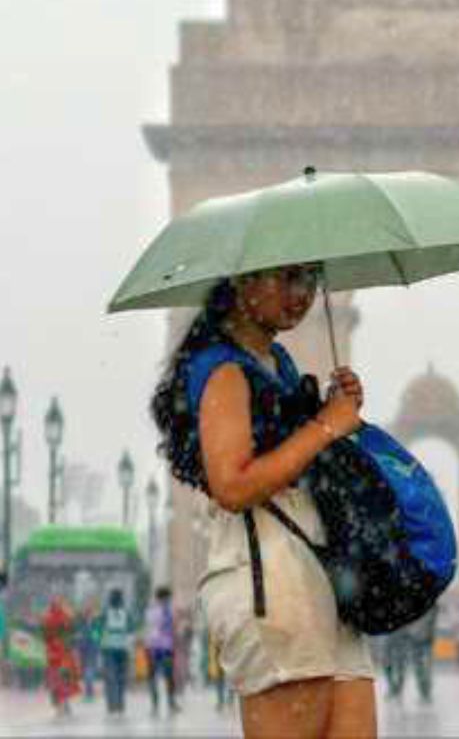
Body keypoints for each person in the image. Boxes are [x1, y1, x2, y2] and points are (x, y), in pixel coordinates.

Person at [150, 267, 376, 739]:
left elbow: (298, 458)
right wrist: (326, 427)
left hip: (318, 571)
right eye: (289, 278)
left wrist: (333, 409)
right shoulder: (223, 370)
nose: (304, 296)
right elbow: (232, 486)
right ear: (243, 281)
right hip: (268, 576)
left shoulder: (277, 363)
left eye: (312, 281)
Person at [381, 604, 438, 703]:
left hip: (418, 635)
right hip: (398, 632)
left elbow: (430, 616)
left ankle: (424, 691)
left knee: (419, 664)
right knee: (392, 661)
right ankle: (396, 688)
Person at [145, 586, 181, 715]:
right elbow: (172, 629)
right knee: (168, 676)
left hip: (152, 648)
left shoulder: (150, 610)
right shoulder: (168, 610)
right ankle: (171, 703)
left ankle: (155, 705)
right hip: (166, 648)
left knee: (153, 677)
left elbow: (149, 628)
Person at [42, 596, 80, 715]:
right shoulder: (66, 617)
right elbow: (72, 631)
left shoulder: (47, 618)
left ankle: (59, 704)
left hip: (54, 654)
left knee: (56, 679)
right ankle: (63, 703)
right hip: (63, 654)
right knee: (64, 679)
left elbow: (45, 636)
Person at [99, 588, 132, 714]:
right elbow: (131, 630)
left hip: (108, 648)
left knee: (111, 678)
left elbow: (96, 629)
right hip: (122, 649)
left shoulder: (105, 613)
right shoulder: (126, 613)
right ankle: (120, 704)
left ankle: (112, 705)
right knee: (120, 678)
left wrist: (99, 640)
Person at [74, 600, 101, 702]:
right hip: (90, 648)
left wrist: (78, 644)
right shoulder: (94, 622)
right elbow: (96, 636)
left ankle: (88, 692)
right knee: (89, 670)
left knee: (87, 670)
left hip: (84, 647)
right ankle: (89, 692)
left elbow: (78, 636)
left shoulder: (82, 623)